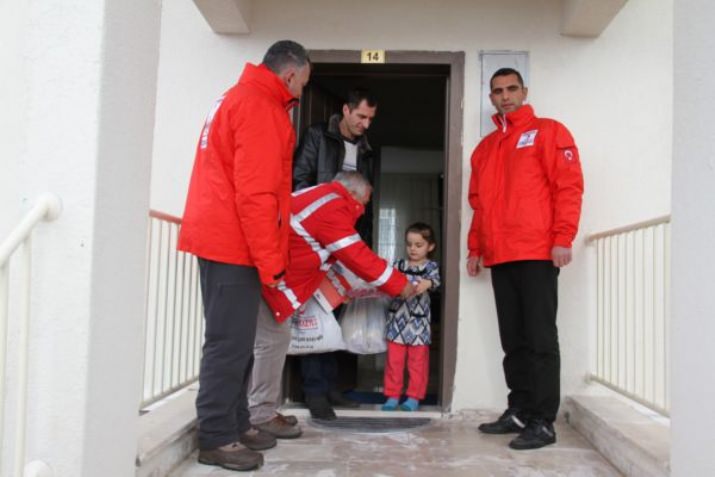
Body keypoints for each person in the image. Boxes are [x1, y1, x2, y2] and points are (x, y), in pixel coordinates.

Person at [177, 40, 310, 472]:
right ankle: (216, 435)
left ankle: (235, 423)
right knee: (228, 344)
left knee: (240, 343)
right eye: (303, 83)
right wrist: (271, 262)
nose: (301, 93)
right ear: (290, 74)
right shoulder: (259, 108)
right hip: (232, 243)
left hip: (226, 239)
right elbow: (257, 195)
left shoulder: (238, 97)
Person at [466, 68, 584, 450]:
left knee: (540, 339)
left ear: (524, 91)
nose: (505, 96)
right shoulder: (484, 149)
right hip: (500, 255)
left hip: (536, 252)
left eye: (512, 88)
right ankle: (518, 410)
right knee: (513, 340)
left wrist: (562, 238)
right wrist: (474, 248)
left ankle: (542, 421)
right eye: (498, 91)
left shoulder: (550, 131)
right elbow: (478, 206)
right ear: (491, 98)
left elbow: (568, 187)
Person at [248, 171, 415, 431]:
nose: (361, 211)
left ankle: (261, 411)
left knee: (271, 343)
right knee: (269, 345)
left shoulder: (320, 197)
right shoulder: (333, 206)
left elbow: (324, 249)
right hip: (275, 282)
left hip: (278, 280)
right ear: (354, 194)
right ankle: (261, 415)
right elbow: (355, 254)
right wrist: (399, 283)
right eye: (364, 203)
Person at [292, 89, 379, 418]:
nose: (365, 124)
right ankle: (315, 393)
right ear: (345, 110)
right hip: (315, 241)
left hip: (347, 242)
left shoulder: (367, 149)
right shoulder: (318, 135)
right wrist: (322, 220)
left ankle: (332, 386)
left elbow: (367, 199)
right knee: (315, 314)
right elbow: (299, 181)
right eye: (360, 116)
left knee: (338, 317)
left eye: (370, 119)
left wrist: (361, 242)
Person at [382, 223, 441, 412]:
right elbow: (387, 282)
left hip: (418, 325)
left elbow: (435, 282)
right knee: (394, 362)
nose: (413, 249)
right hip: (396, 324)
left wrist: (427, 283)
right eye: (409, 244)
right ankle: (392, 396)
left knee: (417, 364)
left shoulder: (431, 267)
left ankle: (413, 397)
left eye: (418, 245)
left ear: (430, 247)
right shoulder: (398, 265)